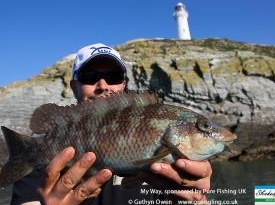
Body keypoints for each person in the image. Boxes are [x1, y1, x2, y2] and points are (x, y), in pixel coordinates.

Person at [11, 43, 212, 205]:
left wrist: (195, 199)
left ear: (123, 83)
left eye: (113, 77)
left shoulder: (162, 168)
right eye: (89, 78)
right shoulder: (39, 165)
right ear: (74, 87)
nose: (103, 86)